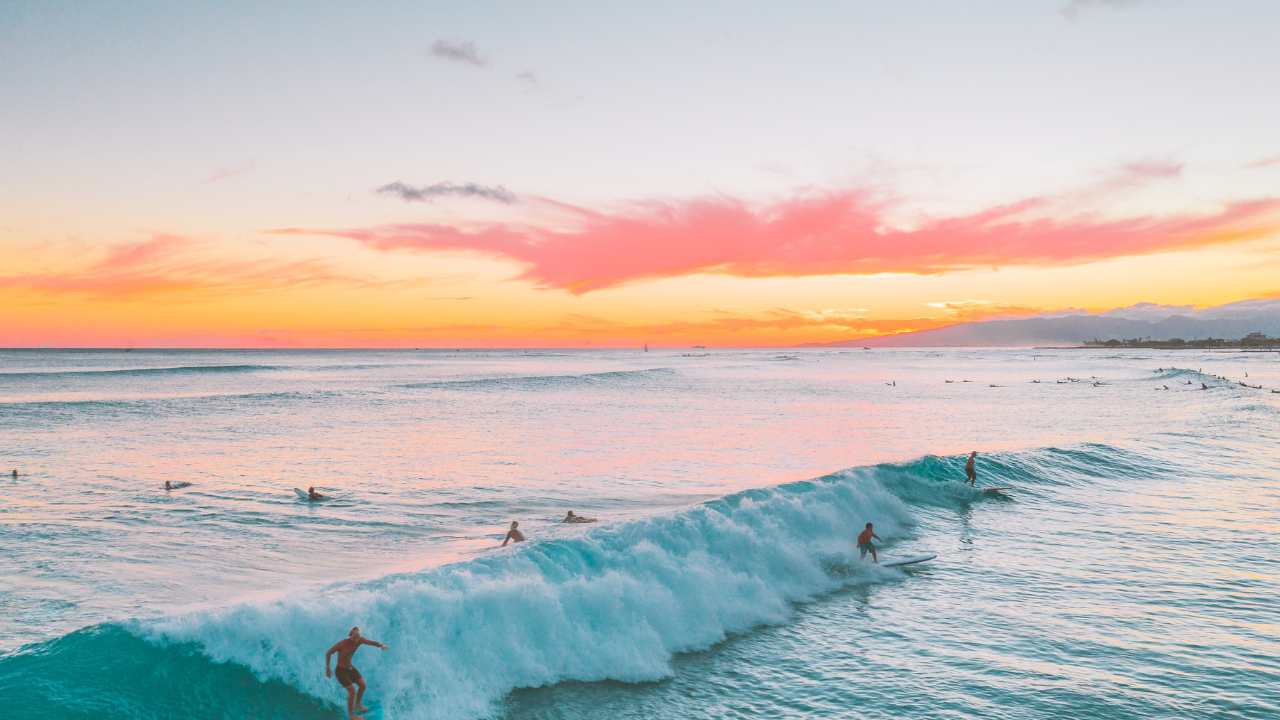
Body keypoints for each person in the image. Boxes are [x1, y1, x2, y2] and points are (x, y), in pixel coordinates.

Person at [325, 626, 388, 720]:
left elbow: (370, 642)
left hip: (350, 668)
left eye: (357, 637)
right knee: (352, 691)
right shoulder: (342, 643)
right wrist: (328, 668)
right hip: (341, 671)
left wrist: (381, 645)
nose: (355, 639)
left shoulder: (360, 640)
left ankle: (357, 705)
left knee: (362, 685)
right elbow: (328, 653)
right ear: (351, 635)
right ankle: (351, 716)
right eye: (354, 637)